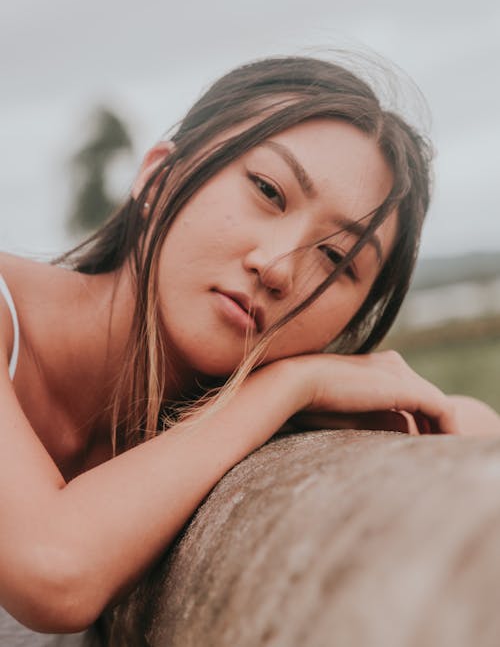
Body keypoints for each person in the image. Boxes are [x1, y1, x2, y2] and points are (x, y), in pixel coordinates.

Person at [1, 56, 499, 644]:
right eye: (268, 190)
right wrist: (290, 386)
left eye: (337, 260)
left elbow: (472, 433)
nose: (278, 267)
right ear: (158, 178)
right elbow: (54, 570)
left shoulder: (204, 417)